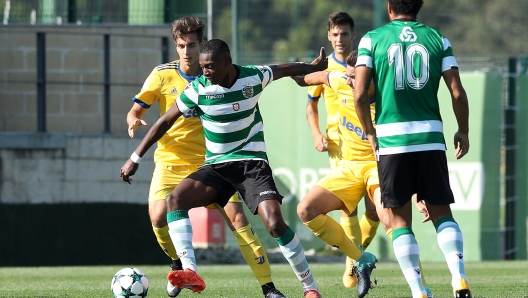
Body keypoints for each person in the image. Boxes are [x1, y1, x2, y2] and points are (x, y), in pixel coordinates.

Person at [121, 38, 329, 298]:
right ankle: (190, 271)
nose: (205, 72)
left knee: (275, 224)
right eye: (203, 67)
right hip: (217, 168)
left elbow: (284, 69)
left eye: (210, 67)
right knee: (175, 199)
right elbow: (164, 122)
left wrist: (313, 67)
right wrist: (135, 158)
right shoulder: (198, 89)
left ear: (228, 63)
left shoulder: (252, 77)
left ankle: (310, 289)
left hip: (252, 165)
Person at [354, 1, 472, 297]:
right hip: (430, 140)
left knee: (399, 221)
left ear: (389, 6)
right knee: (442, 214)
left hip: (392, 142)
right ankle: (459, 279)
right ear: (418, 6)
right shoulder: (437, 39)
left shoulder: (372, 39)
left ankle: (419, 291)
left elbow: (359, 95)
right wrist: (463, 130)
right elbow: (456, 91)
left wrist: (369, 132)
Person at [293, 50, 433, 298]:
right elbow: (303, 79)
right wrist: (303, 68)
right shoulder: (338, 79)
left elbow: (409, 148)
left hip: (379, 168)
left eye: (353, 77)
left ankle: (419, 288)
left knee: (390, 220)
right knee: (305, 210)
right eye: (346, 76)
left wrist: (417, 191)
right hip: (348, 167)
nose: (347, 81)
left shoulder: (390, 102)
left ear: (370, 77)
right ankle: (361, 259)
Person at [305, 12, 380, 288]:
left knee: (374, 212)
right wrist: (316, 134)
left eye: (344, 34)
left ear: (353, 35)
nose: (339, 39)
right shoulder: (329, 70)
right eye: (335, 34)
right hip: (338, 146)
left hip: (368, 144)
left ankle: (356, 260)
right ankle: (355, 264)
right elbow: (310, 105)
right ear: (328, 36)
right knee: (347, 211)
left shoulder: (364, 68)